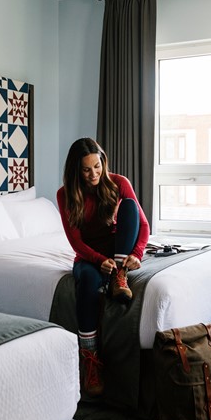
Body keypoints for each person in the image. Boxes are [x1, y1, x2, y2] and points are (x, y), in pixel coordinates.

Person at [57, 137, 150, 397]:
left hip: (119, 251)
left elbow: (142, 226)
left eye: (97, 166)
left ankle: (120, 276)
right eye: (86, 169)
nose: (93, 174)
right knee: (86, 282)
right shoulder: (65, 194)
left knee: (130, 206)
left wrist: (136, 254)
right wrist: (99, 261)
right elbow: (75, 242)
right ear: (76, 170)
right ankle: (90, 358)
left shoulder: (118, 182)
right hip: (89, 257)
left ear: (102, 162)